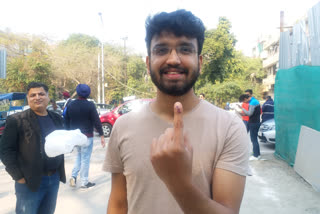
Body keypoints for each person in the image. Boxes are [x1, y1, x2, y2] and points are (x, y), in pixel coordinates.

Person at [103, 9, 249, 214]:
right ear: (148, 63)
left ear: (199, 62)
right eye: (161, 50)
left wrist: (178, 182)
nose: (173, 59)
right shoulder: (123, 125)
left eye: (185, 49)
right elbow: (118, 204)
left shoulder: (229, 127)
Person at [0, 82, 66, 214]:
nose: (37, 97)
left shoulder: (57, 118)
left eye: (41, 94)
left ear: (48, 96)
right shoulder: (17, 120)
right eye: (33, 95)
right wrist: (18, 177)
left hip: (53, 178)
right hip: (29, 181)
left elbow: (61, 142)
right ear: (28, 98)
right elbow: (5, 150)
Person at [65, 84, 105, 189]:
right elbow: (96, 121)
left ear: (77, 92)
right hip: (87, 136)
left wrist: (69, 134)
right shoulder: (90, 105)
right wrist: (101, 135)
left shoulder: (71, 104)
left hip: (76, 136)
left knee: (79, 156)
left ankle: (73, 176)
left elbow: (66, 120)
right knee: (85, 159)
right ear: (88, 93)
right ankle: (84, 182)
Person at [242, 89, 261, 160]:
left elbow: (249, 113)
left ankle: (256, 156)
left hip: (254, 123)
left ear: (250, 95)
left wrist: (242, 109)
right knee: (254, 139)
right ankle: (257, 154)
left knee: (253, 139)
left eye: (247, 95)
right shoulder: (254, 101)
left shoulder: (253, 102)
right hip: (255, 122)